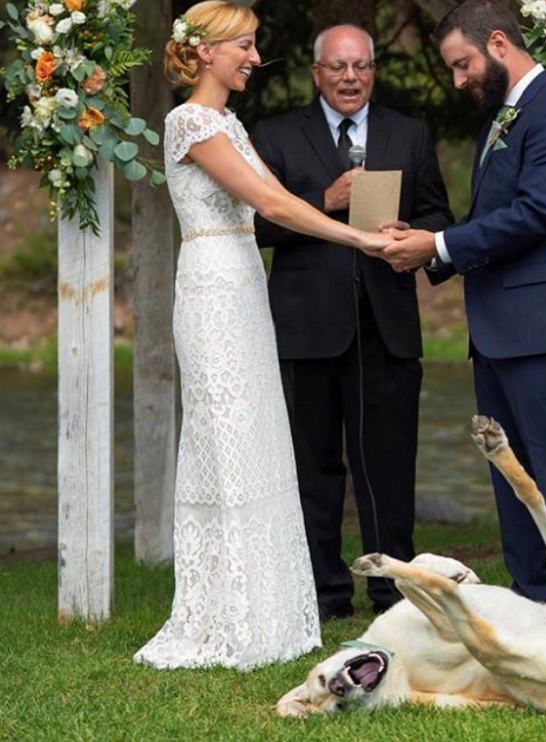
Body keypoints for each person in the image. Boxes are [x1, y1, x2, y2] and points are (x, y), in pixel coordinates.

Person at [134, 1, 390, 671]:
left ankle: (267, 607)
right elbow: (274, 206)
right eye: (244, 46)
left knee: (258, 435)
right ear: (208, 52)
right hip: (213, 285)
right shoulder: (189, 121)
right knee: (225, 436)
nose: (254, 57)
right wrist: (361, 236)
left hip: (248, 283)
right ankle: (224, 612)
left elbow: (281, 195)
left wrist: (355, 215)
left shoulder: (228, 121)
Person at [381, 0, 546, 603]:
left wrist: (440, 243)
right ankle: (535, 602)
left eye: (462, 64)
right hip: (500, 331)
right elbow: (491, 219)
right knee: (512, 477)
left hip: (544, 330)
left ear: (499, 43)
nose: (458, 81)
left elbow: (534, 215)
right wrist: (426, 246)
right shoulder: (504, 117)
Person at [252, 25, 452, 620]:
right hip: (306, 330)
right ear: (316, 72)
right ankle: (322, 594)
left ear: (374, 71)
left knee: (387, 466)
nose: (350, 78)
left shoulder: (408, 134)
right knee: (313, 469)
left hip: (386, 328)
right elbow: (257, 229)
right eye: (338, 67)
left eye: (361, 66)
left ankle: (395, 594)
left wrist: (410, 234)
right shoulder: (277, 136)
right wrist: (323, 202)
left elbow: (438, 214)